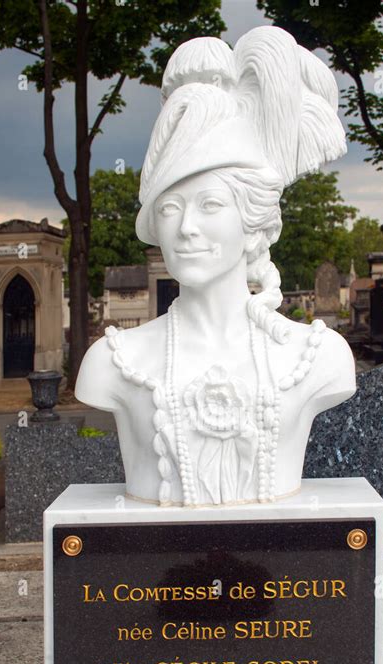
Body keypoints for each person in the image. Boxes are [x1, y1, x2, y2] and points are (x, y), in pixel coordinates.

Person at [75, 26, 356, 507]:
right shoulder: (113, 364)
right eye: (169, 209)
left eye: (209, 204)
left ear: (252, 222)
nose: (185, 228)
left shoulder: (319, 359)